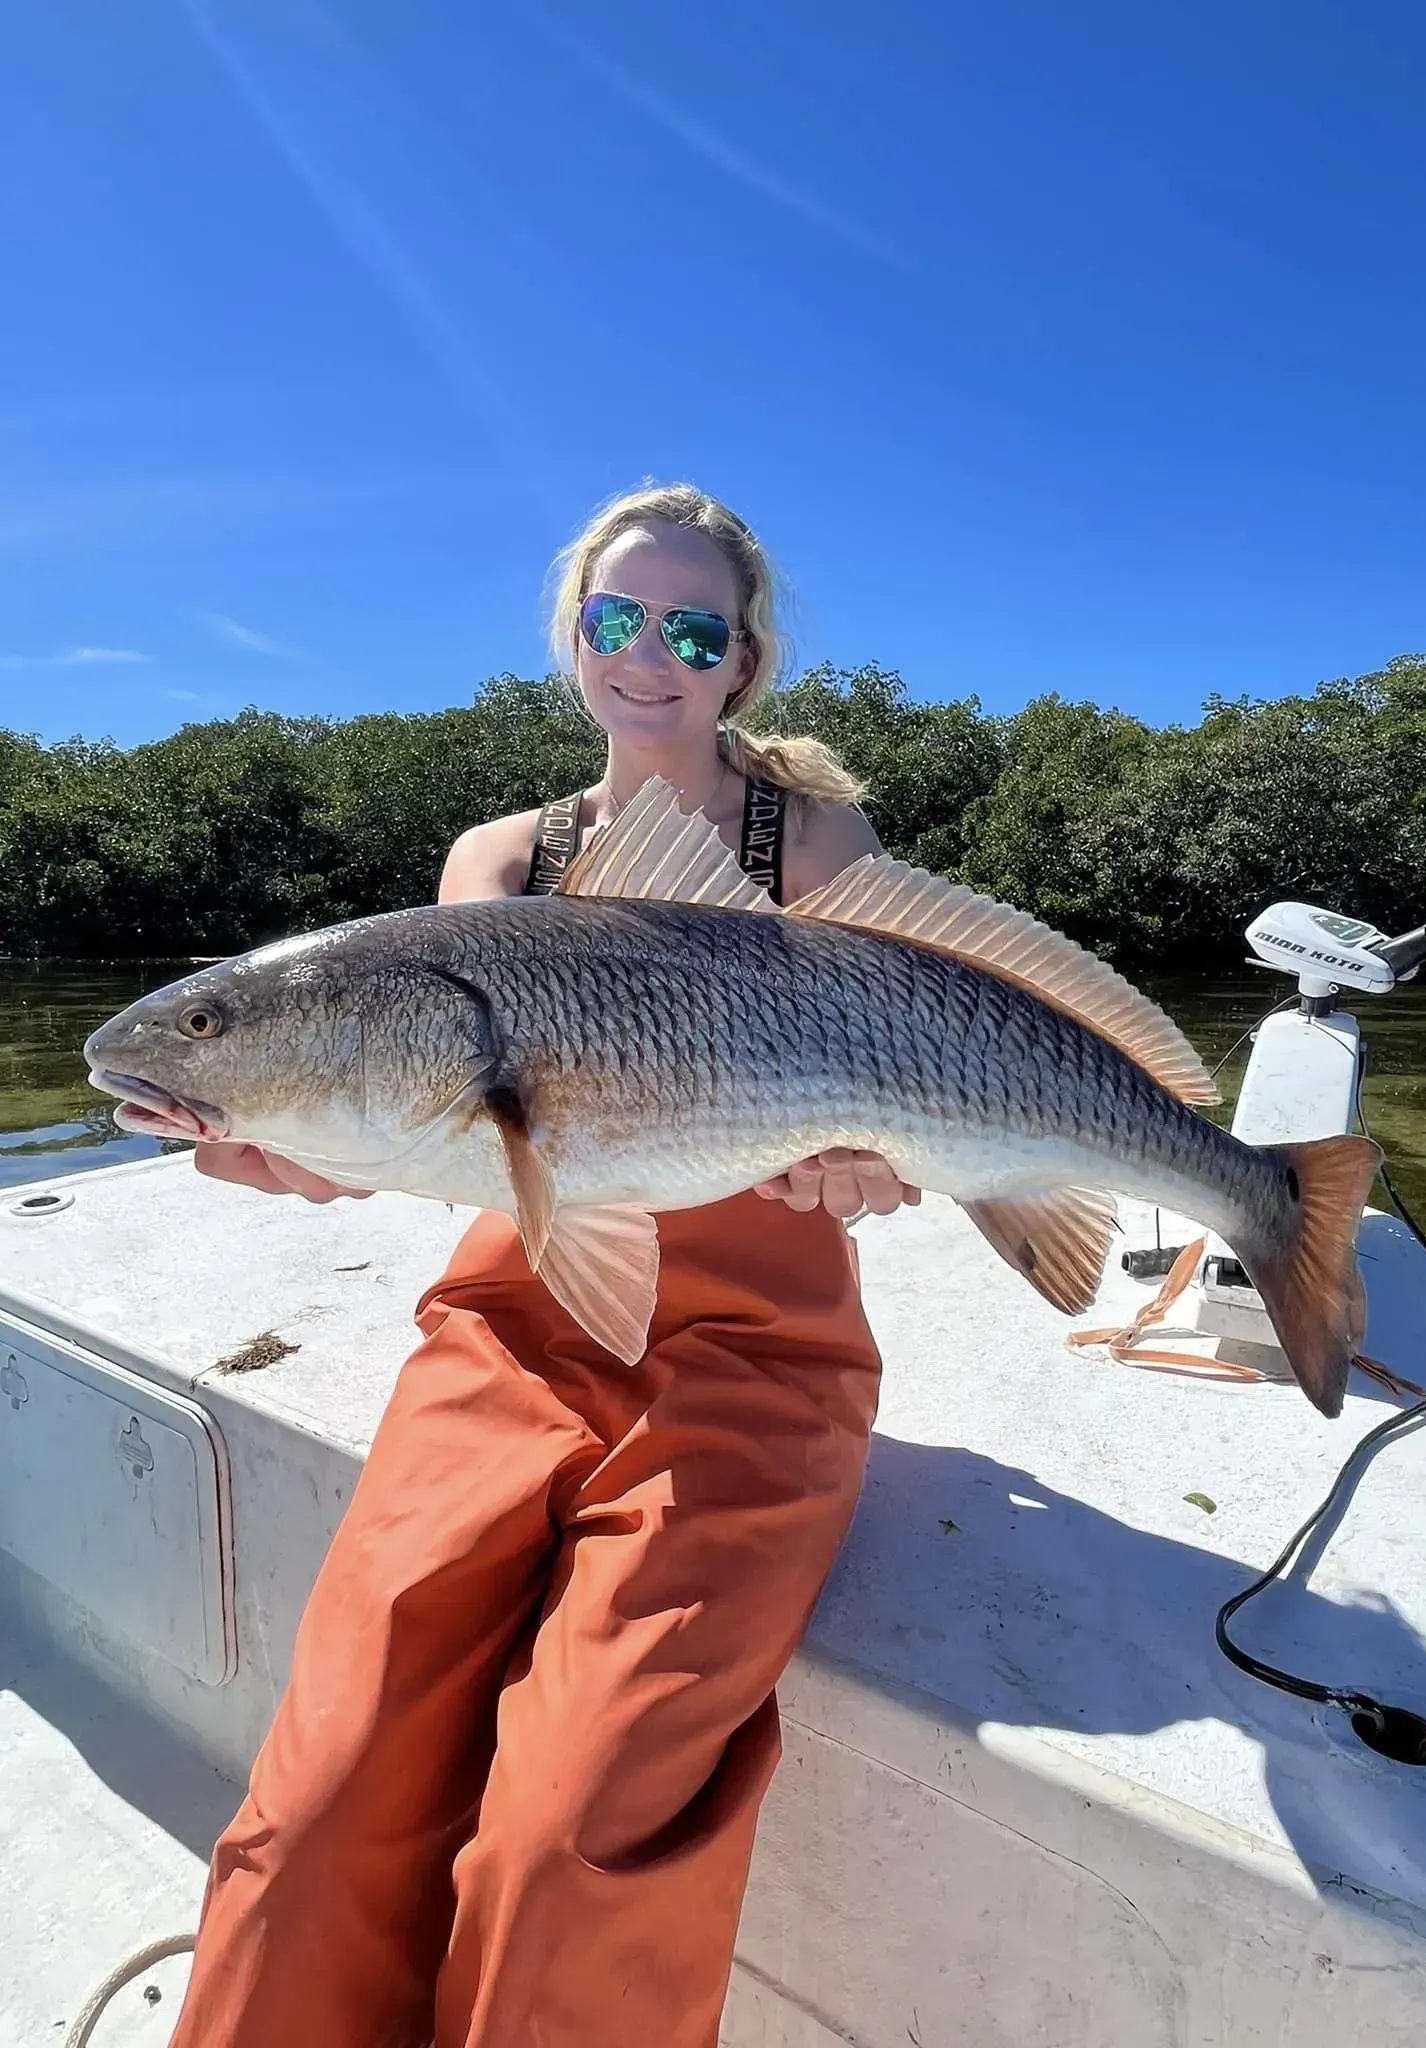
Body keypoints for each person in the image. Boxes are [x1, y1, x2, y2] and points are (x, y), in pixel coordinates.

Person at [173, 483, 920, 2048]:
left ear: (744, 659)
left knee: (564, 1827)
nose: (650, 654)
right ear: (574, 639)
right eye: (617, 620)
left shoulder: (818, 838)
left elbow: (902, 1070)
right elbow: (464, 1132)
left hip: (753, 1346)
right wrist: (325, 1157)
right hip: (521, 1328)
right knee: (319, 1797)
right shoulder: (497, 859)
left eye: (692, 628)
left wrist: (877, 1162)